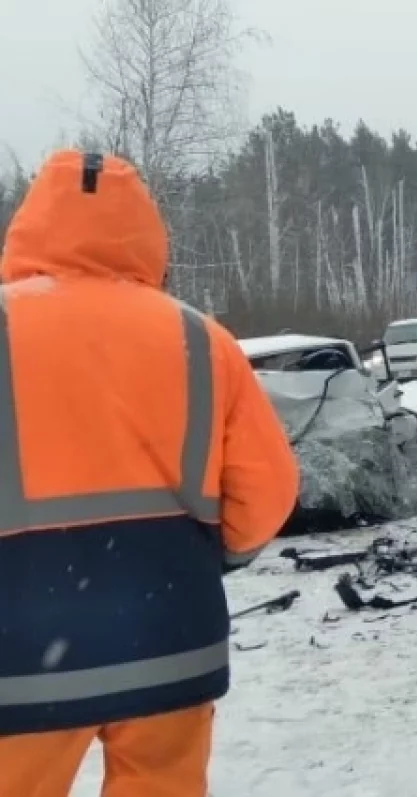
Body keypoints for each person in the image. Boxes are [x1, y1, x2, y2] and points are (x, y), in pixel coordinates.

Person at [0, 151, 299, 797]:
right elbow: (269, 486)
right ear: (146, 234)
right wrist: (213, 554)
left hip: (17, 642)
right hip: (169, 631)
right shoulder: (199, 338)